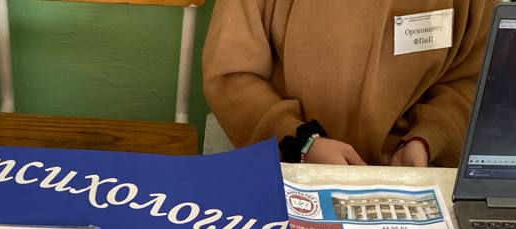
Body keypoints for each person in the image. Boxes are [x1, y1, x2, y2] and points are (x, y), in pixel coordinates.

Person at [202, 0, 498, 167]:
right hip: (289, 164)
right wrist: (300, 142)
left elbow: (473, 78)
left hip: (415, 174)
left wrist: (430, 139)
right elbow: (232, 75)